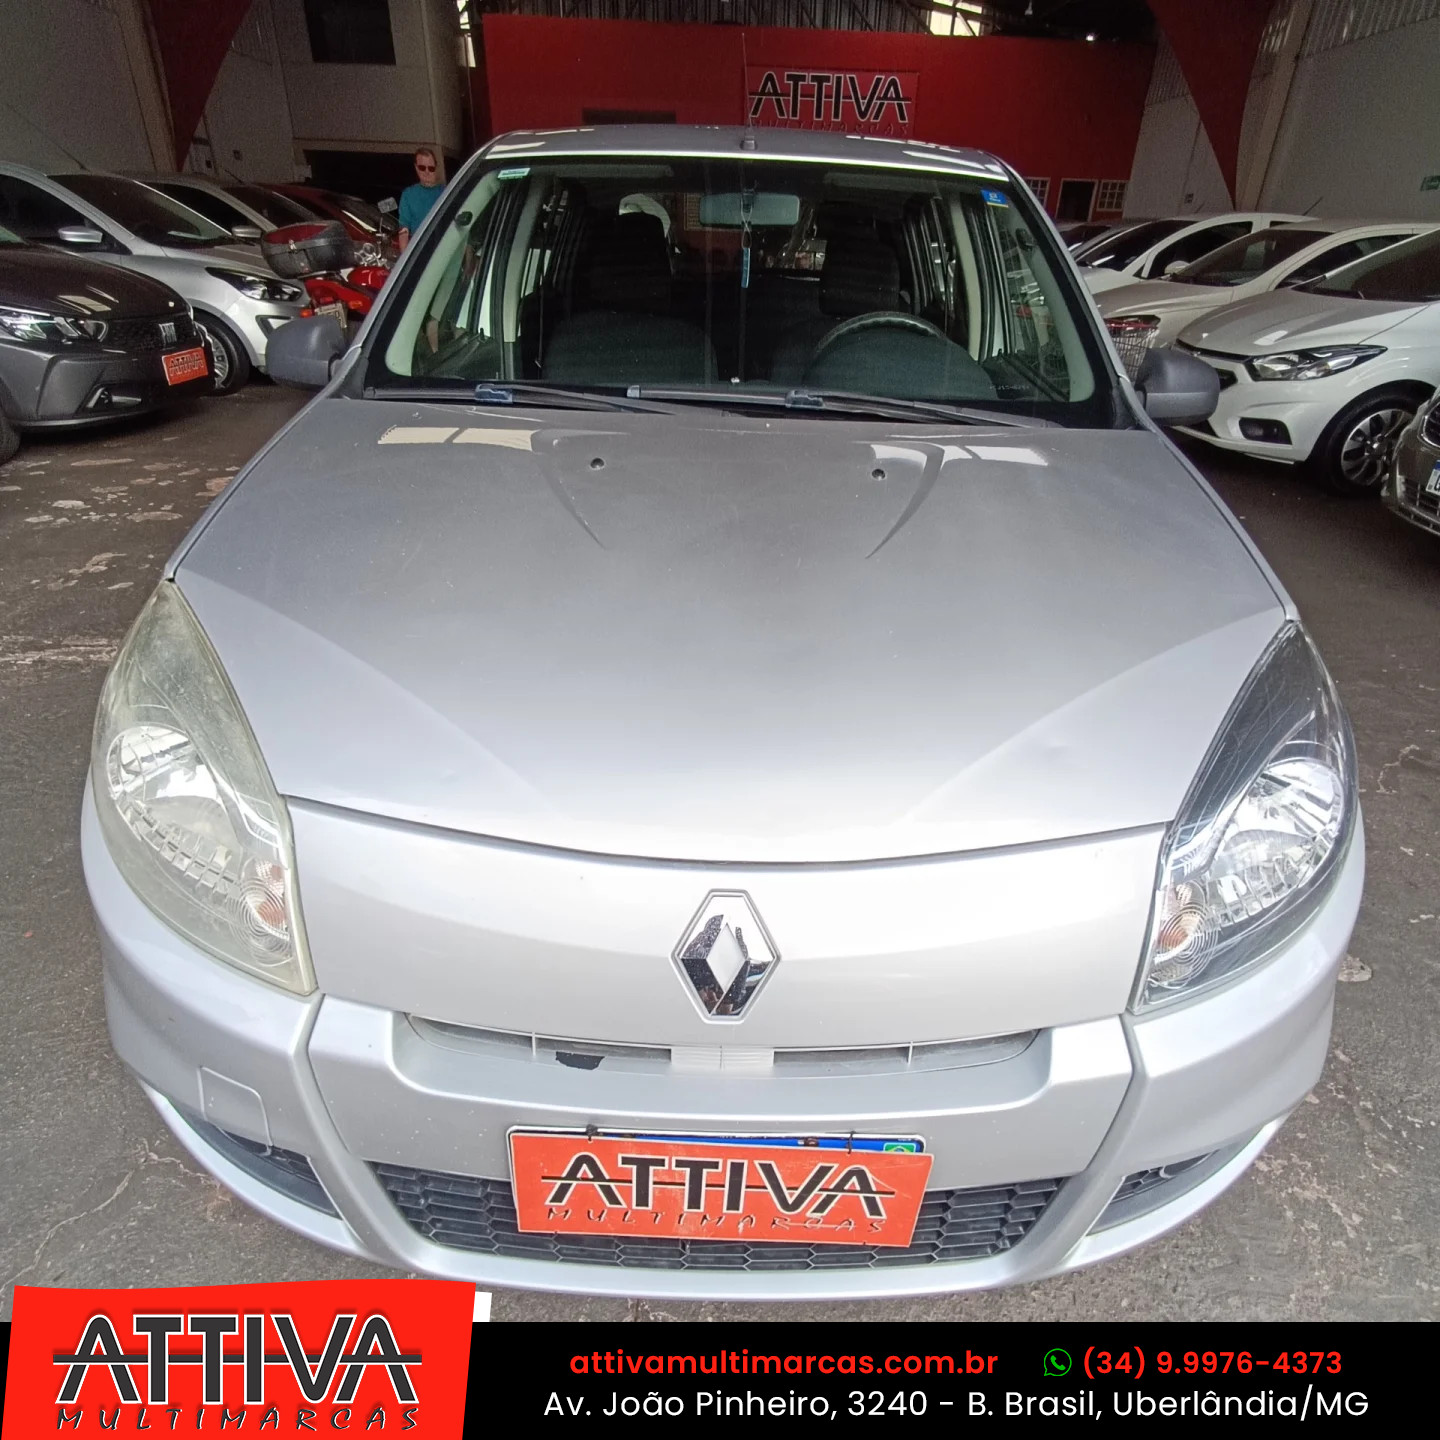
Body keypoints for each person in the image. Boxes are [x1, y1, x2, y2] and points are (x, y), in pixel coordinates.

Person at [397, 146, 444, 251]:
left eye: (431, 168)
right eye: (422, 167)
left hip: (442, 249)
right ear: (416, 167)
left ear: (436, 168)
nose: (427, 172)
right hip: (419, 251)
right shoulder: (408, 195)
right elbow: (404, 228)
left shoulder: (446, 193)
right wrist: (405, 255)